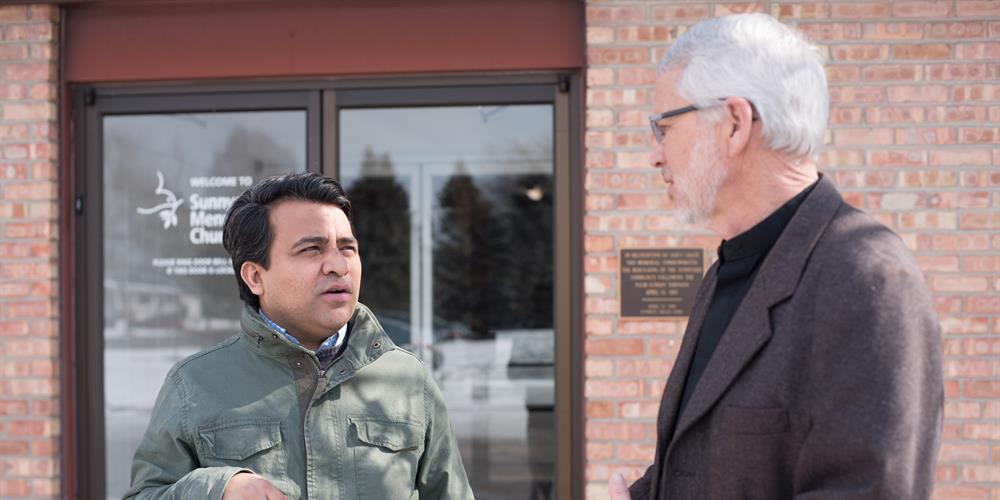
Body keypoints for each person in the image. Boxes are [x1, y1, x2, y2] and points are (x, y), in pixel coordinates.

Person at [608, 13, 943, 500]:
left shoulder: (867, 277)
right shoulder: (728, 271)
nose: (654, 154)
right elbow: (713, 462)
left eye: (664, 127)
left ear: (735, 124)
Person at [126, 172, 473, 499]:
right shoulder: (195, 384)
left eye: (347, 248)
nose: (338, 265)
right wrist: (217, 489)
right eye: (312, 249)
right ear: (255, 277)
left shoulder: (408, 379)